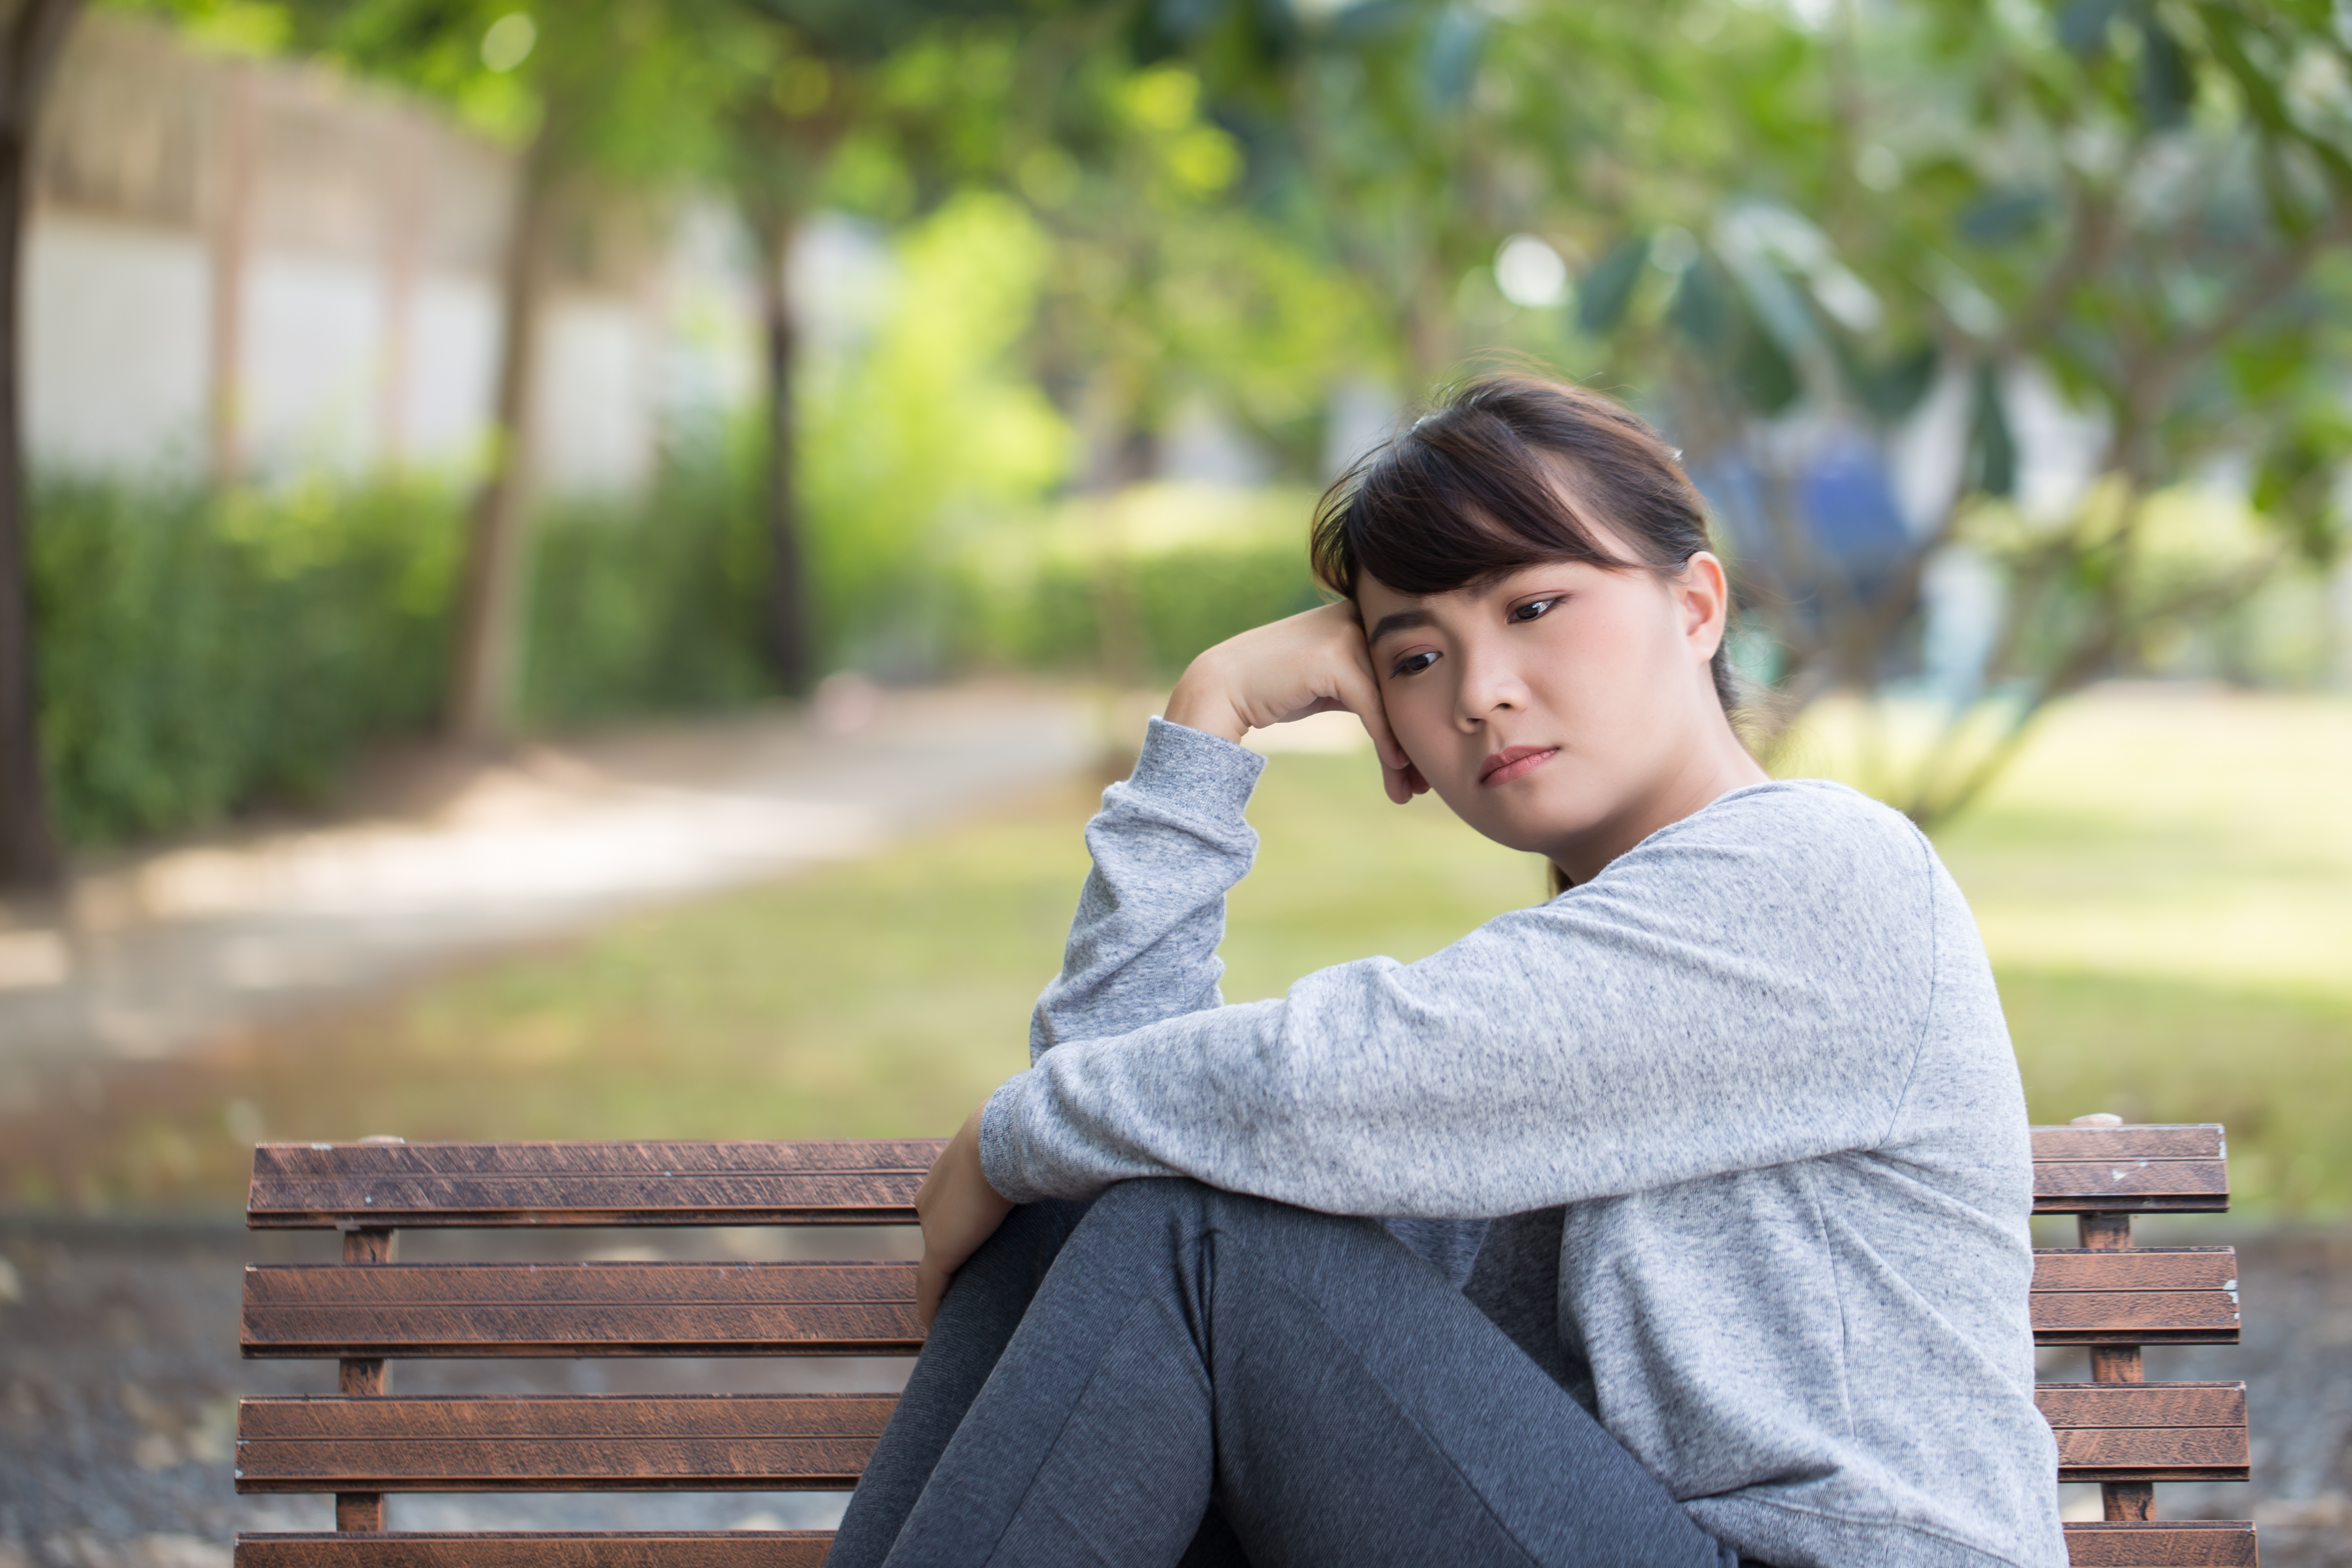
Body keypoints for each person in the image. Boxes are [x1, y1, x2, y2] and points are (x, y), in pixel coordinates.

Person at [827, 375, 2066, 1568]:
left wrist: (1005, 1135)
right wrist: (1211, 713)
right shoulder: (1594, 971)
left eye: (1533, 608)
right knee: (1110, 1192)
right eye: (1414, 657)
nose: (1482, 693)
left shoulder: (1822, 871)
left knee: (1185, 1222)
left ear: (1695, 608)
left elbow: (1289, 1092)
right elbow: (1123, 1116)